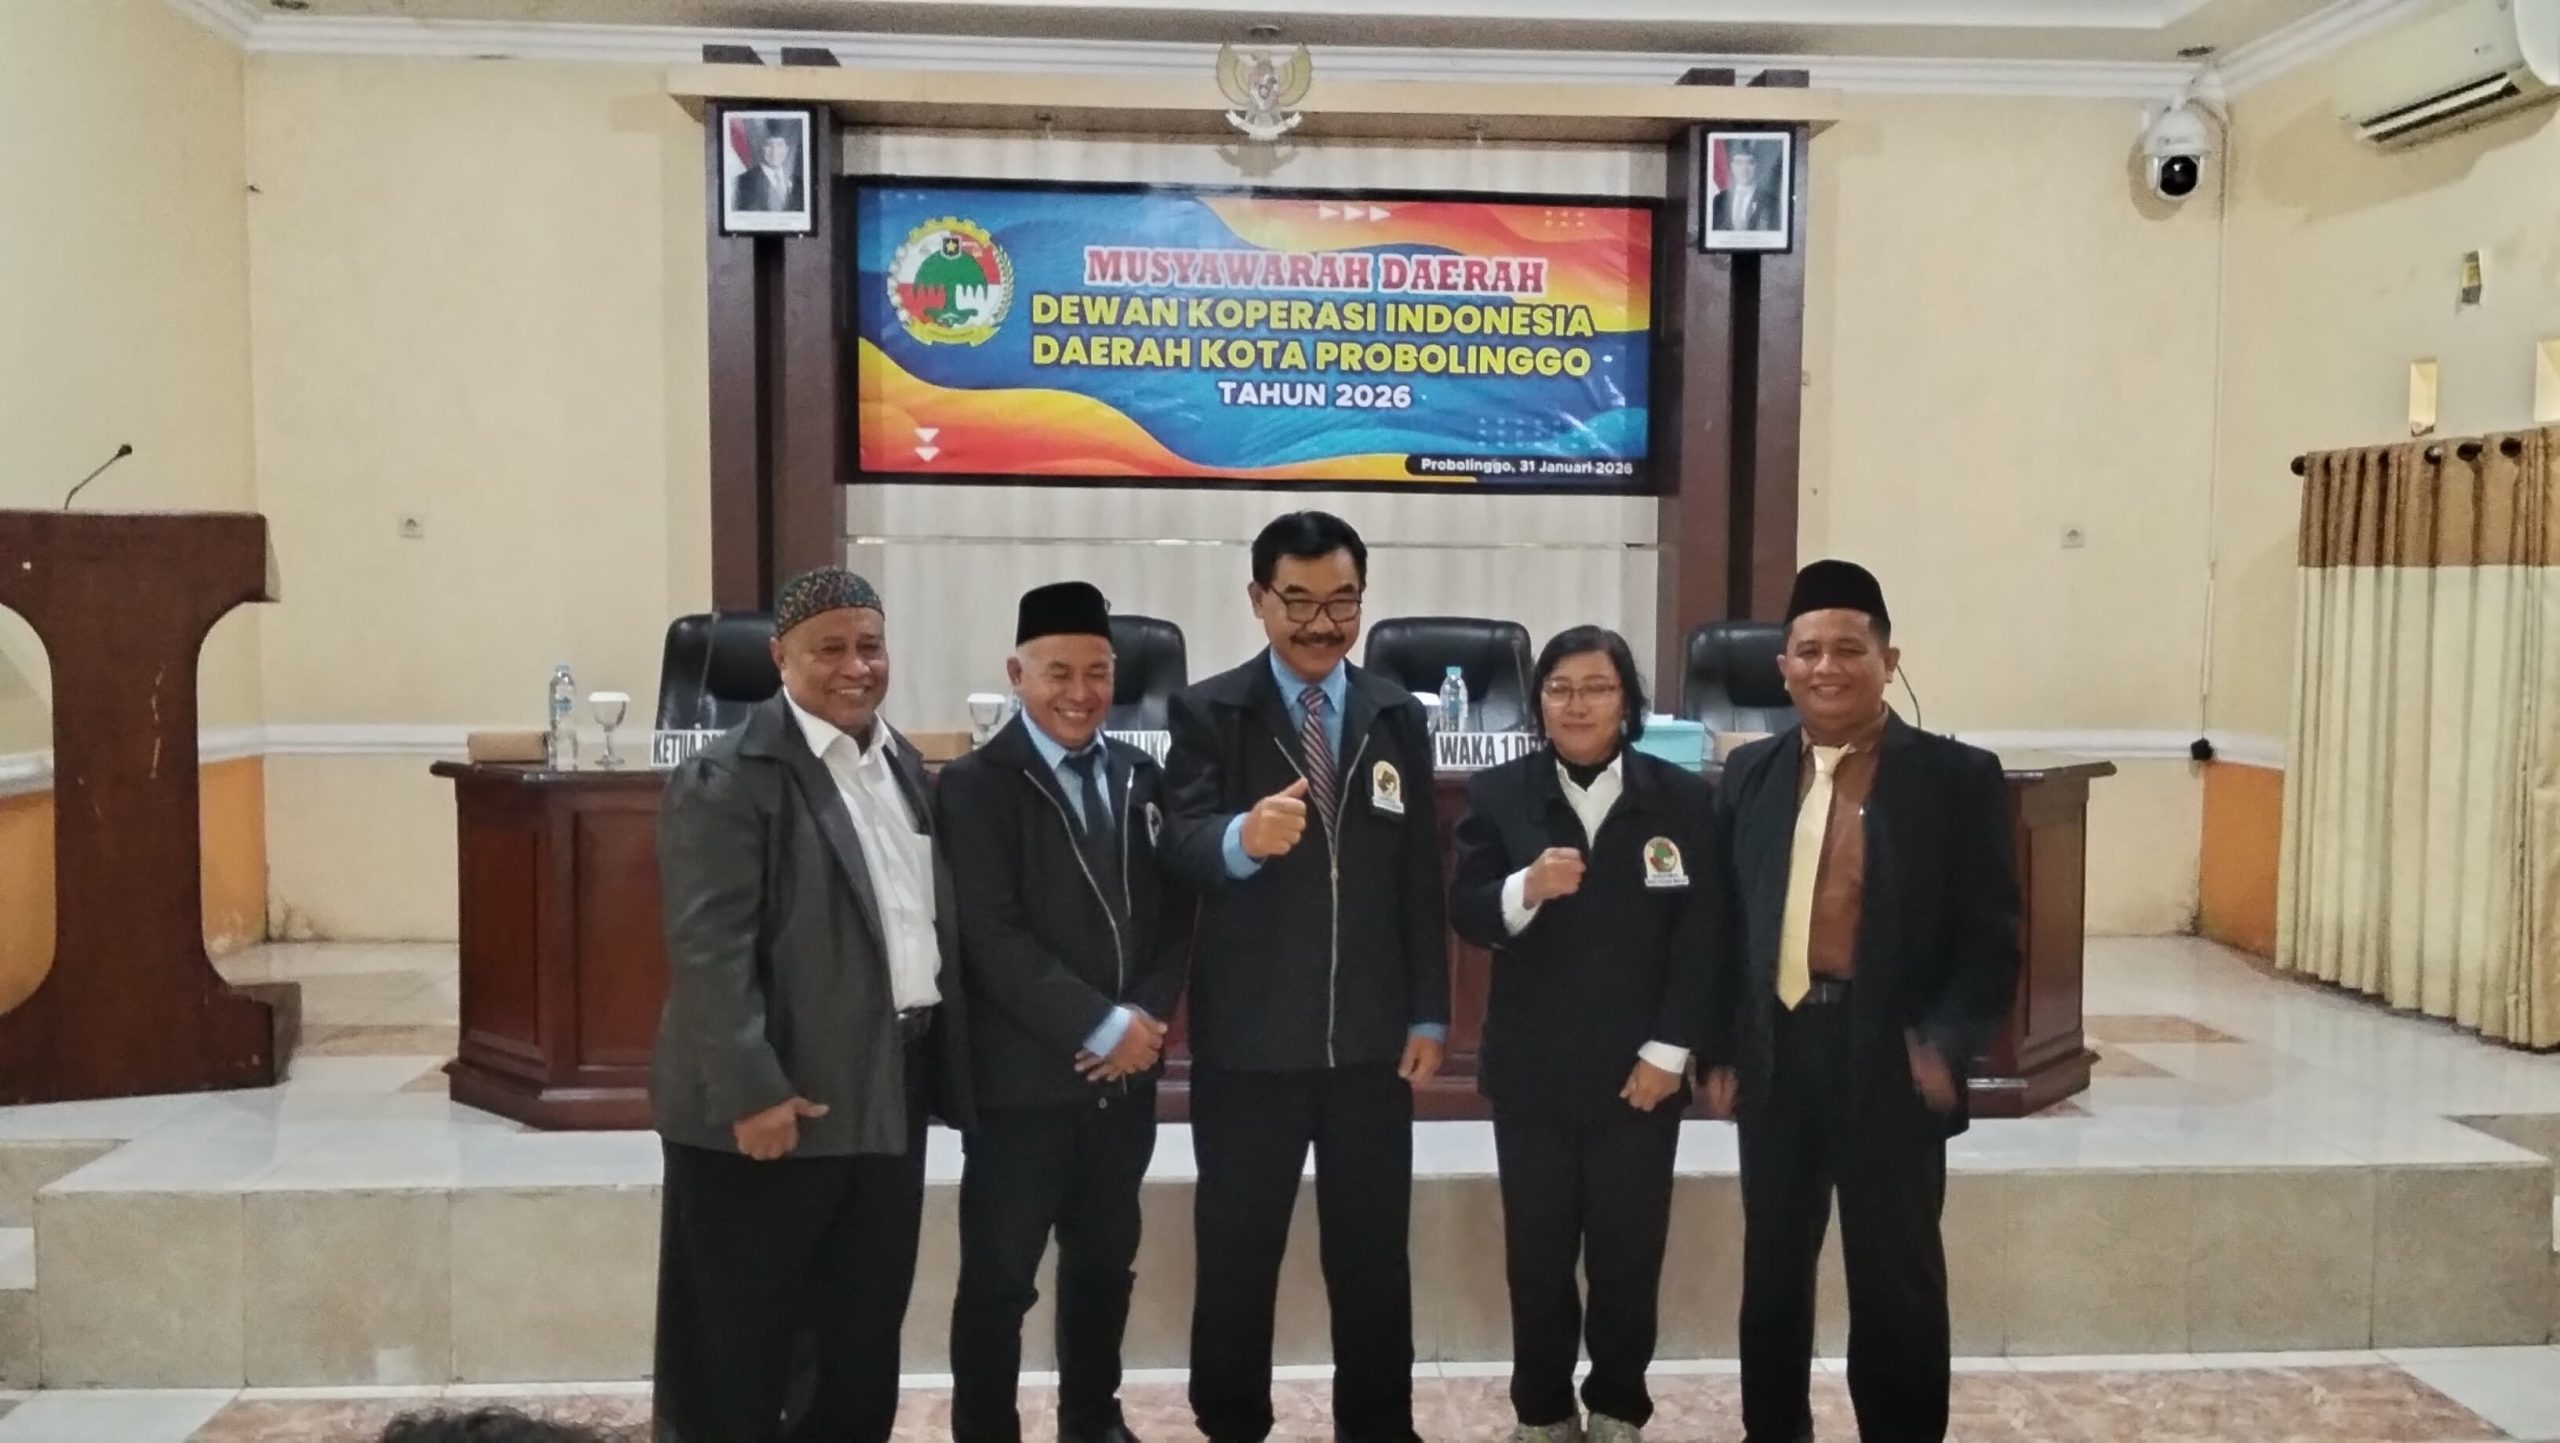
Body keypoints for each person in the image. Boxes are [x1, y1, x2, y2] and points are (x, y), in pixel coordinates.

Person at [648, 566, 973, 1443]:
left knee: (857, 1340)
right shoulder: (729, 776)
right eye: (830, 648)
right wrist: (751, 1090)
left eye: (871, 645)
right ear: (780, 657)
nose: (856, 666)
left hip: (885, 1090)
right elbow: (708, 952)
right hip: (773, 1104)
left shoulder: (901, 764)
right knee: (738, 1349)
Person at [1706, 560, 2020, 1443]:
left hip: (1890, 1055)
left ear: (1889, 660)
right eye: (1808, 650)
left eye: (1849, 648)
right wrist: (1722, 1048)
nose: (1827, 666)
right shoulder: (1750, 774)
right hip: (1778, 1053)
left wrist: (1945, 1043)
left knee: (1896, 1281)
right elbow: (1724, 926)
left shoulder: (1956, 778)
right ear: (1782, 667)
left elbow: (1992, 935)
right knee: (1773, 1276)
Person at [1158, 510, 1449, 1443]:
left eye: (1342, 602)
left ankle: (1380, 1423)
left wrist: (1430, 1012)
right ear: (1258, 599)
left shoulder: (1395, 714)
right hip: (1250, 1043)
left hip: (1370, 1041)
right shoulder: (1210, 711)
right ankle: (1231, 1420)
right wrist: (1240, 838)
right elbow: (1179, 842)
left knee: (1373, 1256)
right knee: (1238, 1252)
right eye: (1299, 602)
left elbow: (1419, 876)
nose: (1323, 624)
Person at [1449, 626, 1722, 1443]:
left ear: (1627, 701)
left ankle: (1616, 1405)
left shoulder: (1683, 798)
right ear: (1537, 701)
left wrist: (1669, 1051)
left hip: (1641, 1073)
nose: (1578, 704)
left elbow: (1705, 935)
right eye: (1560, 688)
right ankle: (1541, 1408)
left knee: (1626, 1253)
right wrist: (1524, 888)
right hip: (1533, 1070)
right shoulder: (1500, 793)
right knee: (1536, 1256)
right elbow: (1466, 911)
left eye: (1597, 687)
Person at [937, 581, 1194, 1443]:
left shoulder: (1142, 776)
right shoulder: (975, 785)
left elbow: (1175, 914)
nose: (1081, 692)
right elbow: (989, 934)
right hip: (1021, 1085)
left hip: (1123, 1082)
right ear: (1017, 674)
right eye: (1058, 672)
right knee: (999, 1280)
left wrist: (1143, 1017)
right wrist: (1098, 1023)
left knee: (1104, 1265)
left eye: (1098, 671)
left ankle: (1093, 1421)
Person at [1709, 138, 1783, 233]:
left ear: (1757, 166)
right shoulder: (1719, 200)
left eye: (1750, 162)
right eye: (1738, 162)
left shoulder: (1771, 201)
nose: (1744, 169)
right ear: (1731, 166)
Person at [733, 127, 803, 212]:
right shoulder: (743, 181)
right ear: (761, 148)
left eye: (780, 145)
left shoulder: (798, 183)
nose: (774, 151)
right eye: (769, 145)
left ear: (787, 149)